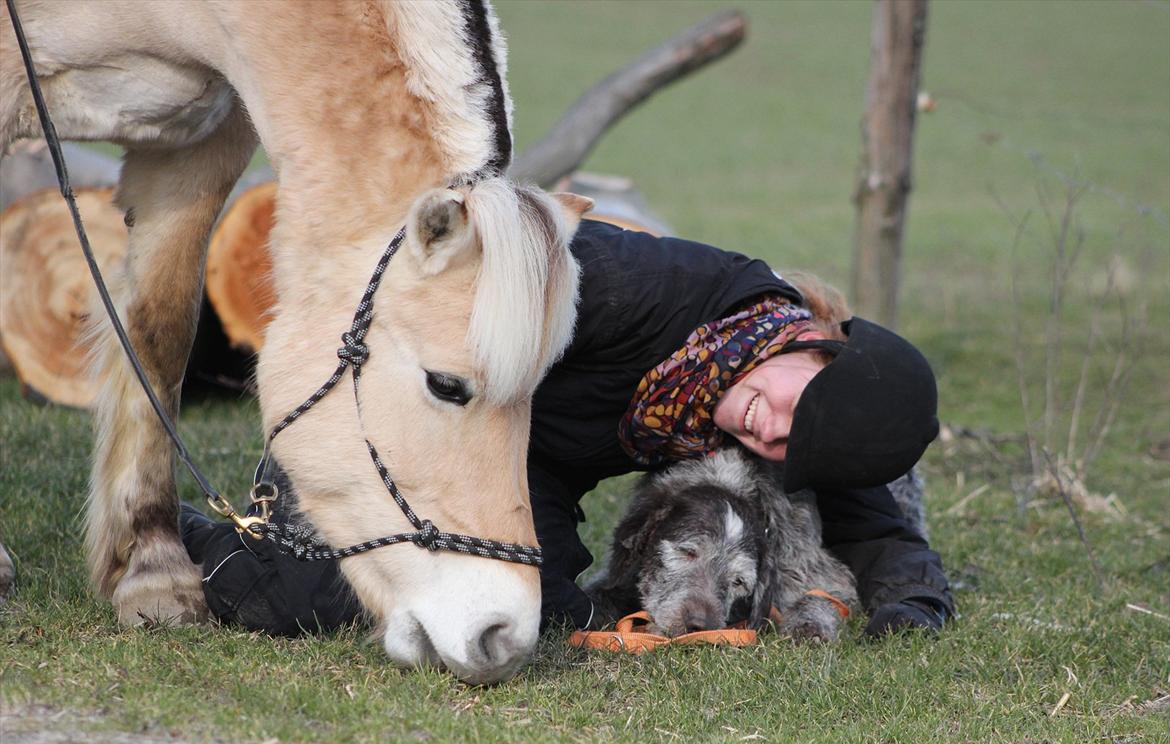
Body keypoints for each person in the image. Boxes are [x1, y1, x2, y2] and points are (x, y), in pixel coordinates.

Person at [182, 219, 954, 638]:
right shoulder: (628, 286)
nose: (772, 432)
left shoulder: (742, 383)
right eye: (798, 404)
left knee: (528, 620)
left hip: (520, 472)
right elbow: (426, 310)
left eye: (793, 446)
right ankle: (175, 530)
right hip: (409, 411)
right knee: (295, 600)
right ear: (812, 339)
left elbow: (871, 521)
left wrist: (909, 609)